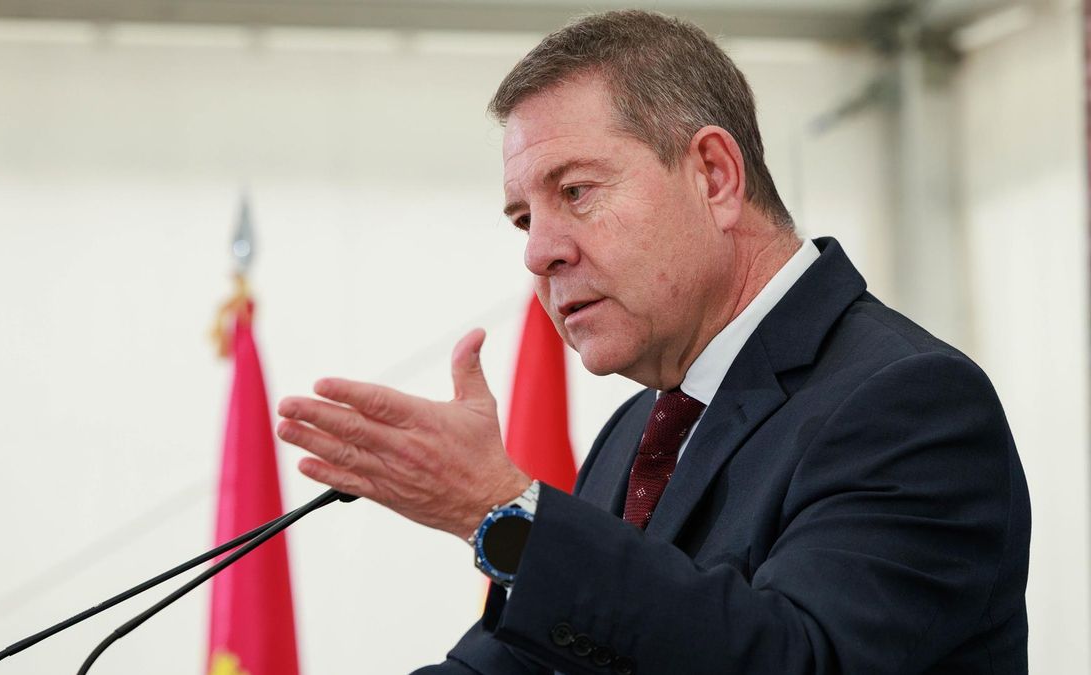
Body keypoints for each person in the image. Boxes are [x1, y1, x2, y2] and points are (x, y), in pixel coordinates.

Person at [276, 10, 1029, 674]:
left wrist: (499, 509)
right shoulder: (636, 430)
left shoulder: (911, 402)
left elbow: (793, 660)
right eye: (523, 219)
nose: (538, 252)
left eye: (575, 192)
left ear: (714, 176)